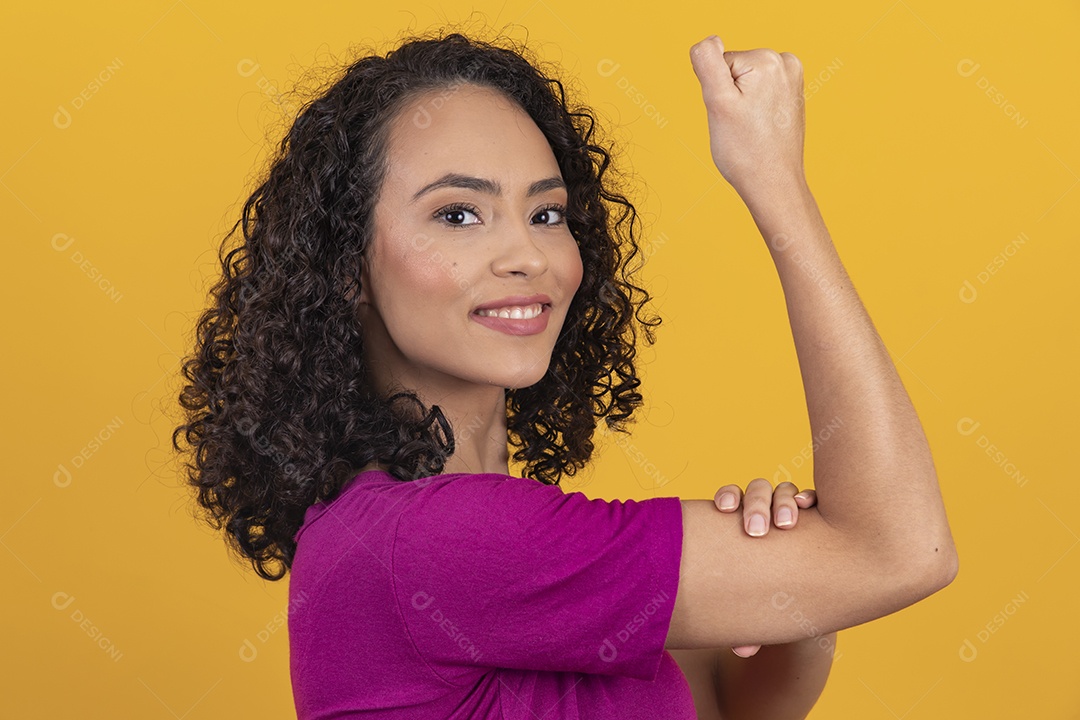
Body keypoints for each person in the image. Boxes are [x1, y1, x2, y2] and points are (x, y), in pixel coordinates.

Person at [173, 28, 958, 720]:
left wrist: (795, 588)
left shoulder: (490, 543)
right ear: (346, 265)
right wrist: (778, 186)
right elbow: (901, 551)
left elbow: (723, 703)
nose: (528, 256)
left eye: (547, 214)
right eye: (457, 214)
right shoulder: (435, 542)